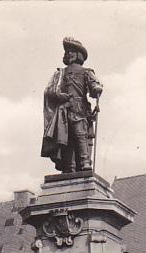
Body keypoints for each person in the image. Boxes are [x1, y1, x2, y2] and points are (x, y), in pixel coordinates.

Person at [41, 37, 103, 173]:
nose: (68, 54)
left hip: (80, 108)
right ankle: (70, 167)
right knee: (66, 139)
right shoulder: (60, 73)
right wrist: (58, 95)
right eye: (66, 52)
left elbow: (94, 85)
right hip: (64, 110)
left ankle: (85, 162)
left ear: (78, 55)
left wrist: (96, 88)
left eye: (71, 52)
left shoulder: (86, 71)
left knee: (80, 135)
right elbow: (49, 90)